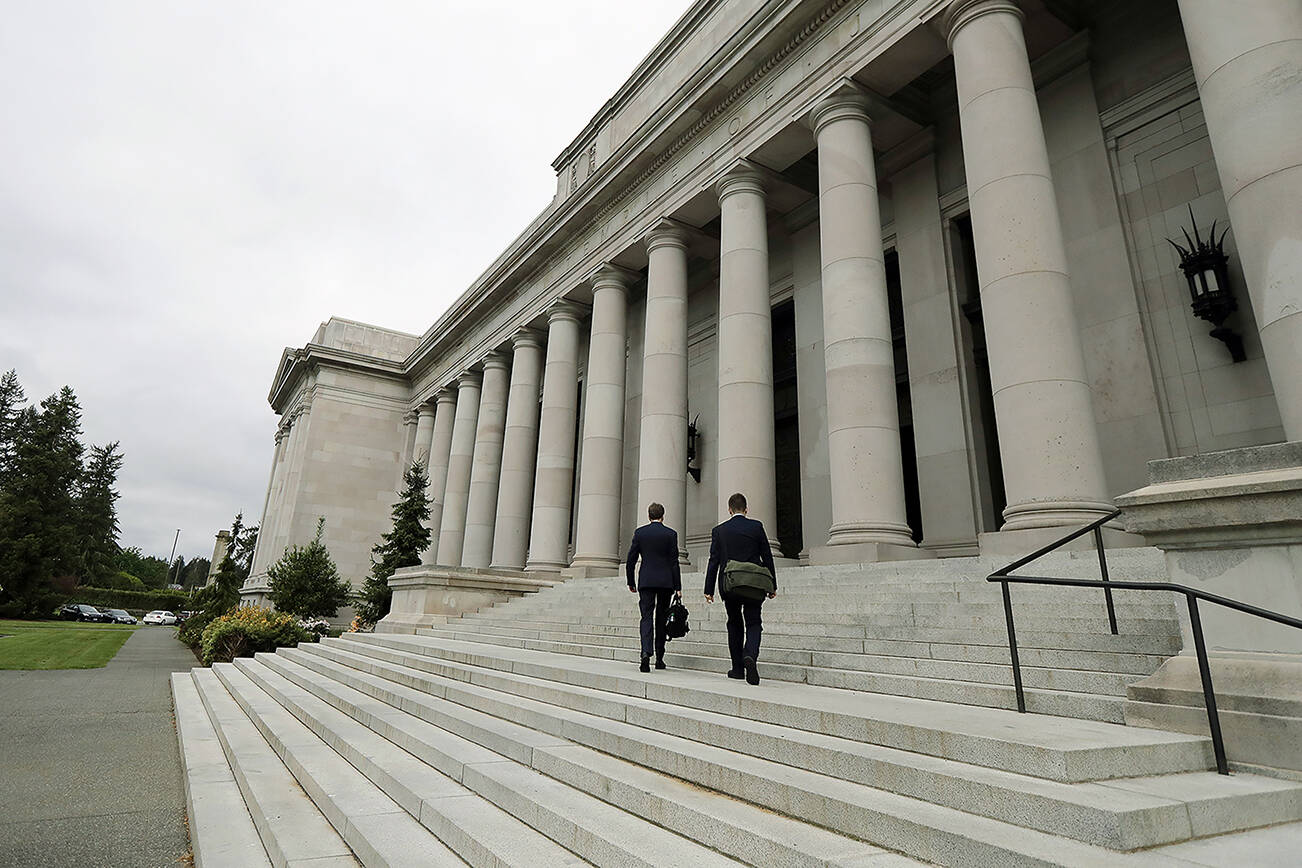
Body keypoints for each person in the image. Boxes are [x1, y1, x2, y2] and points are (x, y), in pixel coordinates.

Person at [704, 492, 777, 685]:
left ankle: (737, 669)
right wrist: (772, 585)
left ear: (729, 509)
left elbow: (714, 561)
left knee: (734, 623)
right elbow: (767, 556)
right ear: (746, 509)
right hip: (754, 584)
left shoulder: (720, 530)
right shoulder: (756, 527)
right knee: (754, 623)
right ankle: (750, 654)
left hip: (731, 584)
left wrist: (708, 589)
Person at [625, 502, 682, 673]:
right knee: (661, 618)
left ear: (649, 516)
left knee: (646, 617)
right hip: (665, 582)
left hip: (647, 581)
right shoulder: (671, 534)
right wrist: (678, 586)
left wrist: (630, 581)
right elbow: (674, 562)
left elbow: (631, 559)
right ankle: (659, 657)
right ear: (662, 516)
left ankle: (645, 653)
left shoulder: (640, 533)